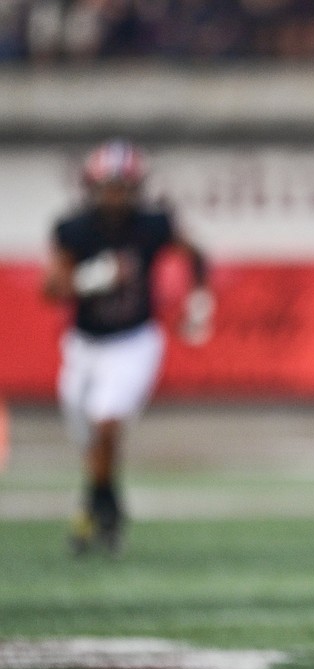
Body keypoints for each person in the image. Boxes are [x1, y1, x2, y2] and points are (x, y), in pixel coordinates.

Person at [43, 139, 214, 556]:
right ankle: (108, 507)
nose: (116, 196)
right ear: (93, 188)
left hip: (134, 341)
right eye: (109, 187)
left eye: (123, 187)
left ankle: (92, 509)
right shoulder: (75, 229)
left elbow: (195, 254)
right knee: (91, 439)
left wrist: (198, 298)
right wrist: (91, 279)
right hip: (84, 345)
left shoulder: (152, 224)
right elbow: (50, 288)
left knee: (106, 424)